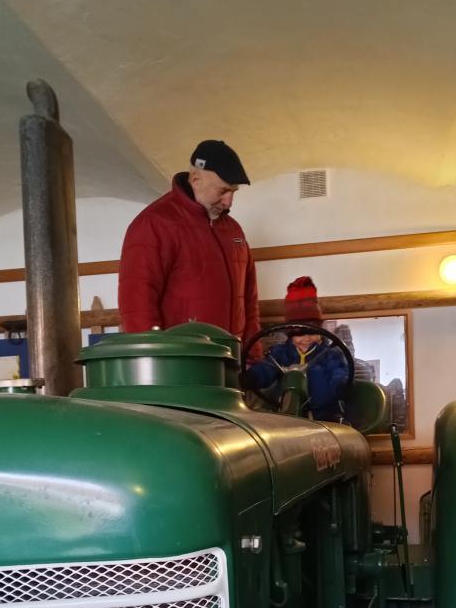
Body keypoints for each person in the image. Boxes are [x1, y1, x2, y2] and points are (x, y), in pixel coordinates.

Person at [118, 139, 260, 353]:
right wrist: (157, 362)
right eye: (222, 191)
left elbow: (249, 301)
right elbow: (137, 305)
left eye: (233, 192)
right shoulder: (154, 224)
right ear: (196, 179)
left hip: (231, 360)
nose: (229, 202)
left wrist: (253, 356)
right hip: (183, 363)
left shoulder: (233, 231)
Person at [245, 277, 349, 421]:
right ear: (290, 334)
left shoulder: (331, 355)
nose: (306, 339)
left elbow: (339, 376)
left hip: (325, 418)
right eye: (300, 334)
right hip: (287, 417)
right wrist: (253, 377)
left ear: (320, 330)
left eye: (312, 332)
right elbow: (267, 368)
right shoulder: (281, 354)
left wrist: (341, 384)